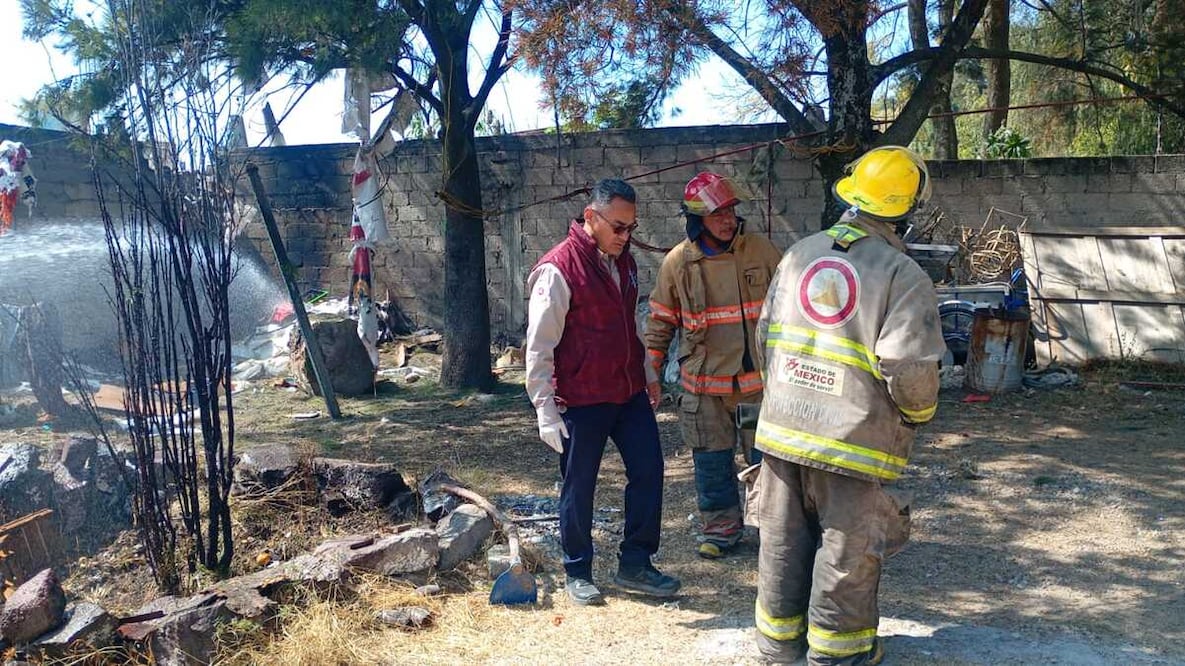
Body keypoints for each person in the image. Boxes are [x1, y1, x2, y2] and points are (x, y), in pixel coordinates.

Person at [751, 146, 946, 665]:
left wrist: (783, 397)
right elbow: (910, 369)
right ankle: (839, 654)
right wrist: (917, 415)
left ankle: (778, 646)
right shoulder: (902, 273)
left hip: (782, 431)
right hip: (852, 441)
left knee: (782, 542)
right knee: (847, 552)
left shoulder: (798, 254)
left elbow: (764, 336)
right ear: (906, 210)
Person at [524, 178, 681, 606]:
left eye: (631, 227)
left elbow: (630, 326)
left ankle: (636, 563)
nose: (626, 236)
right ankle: (577, 570)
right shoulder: (557, 269)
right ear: (591, 217)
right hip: (581, 397)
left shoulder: (624, 262)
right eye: (619, 227)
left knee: (649, 470)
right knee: (579, 485)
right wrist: (544, 410)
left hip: (627, 392)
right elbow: (539, 346)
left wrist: (648, 373)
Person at [644, 171, 783, 559]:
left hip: (757, 384)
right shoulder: (678, 263)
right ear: (697, 219)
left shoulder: (761, 251)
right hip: (704, 386)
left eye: (731, 211)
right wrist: (649, 375)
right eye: (717, 213)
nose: (727, 220)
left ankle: (775, 531)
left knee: (768, 462)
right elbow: (660, 323)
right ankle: (721, 530)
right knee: (711, 461)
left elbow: (791, 307)